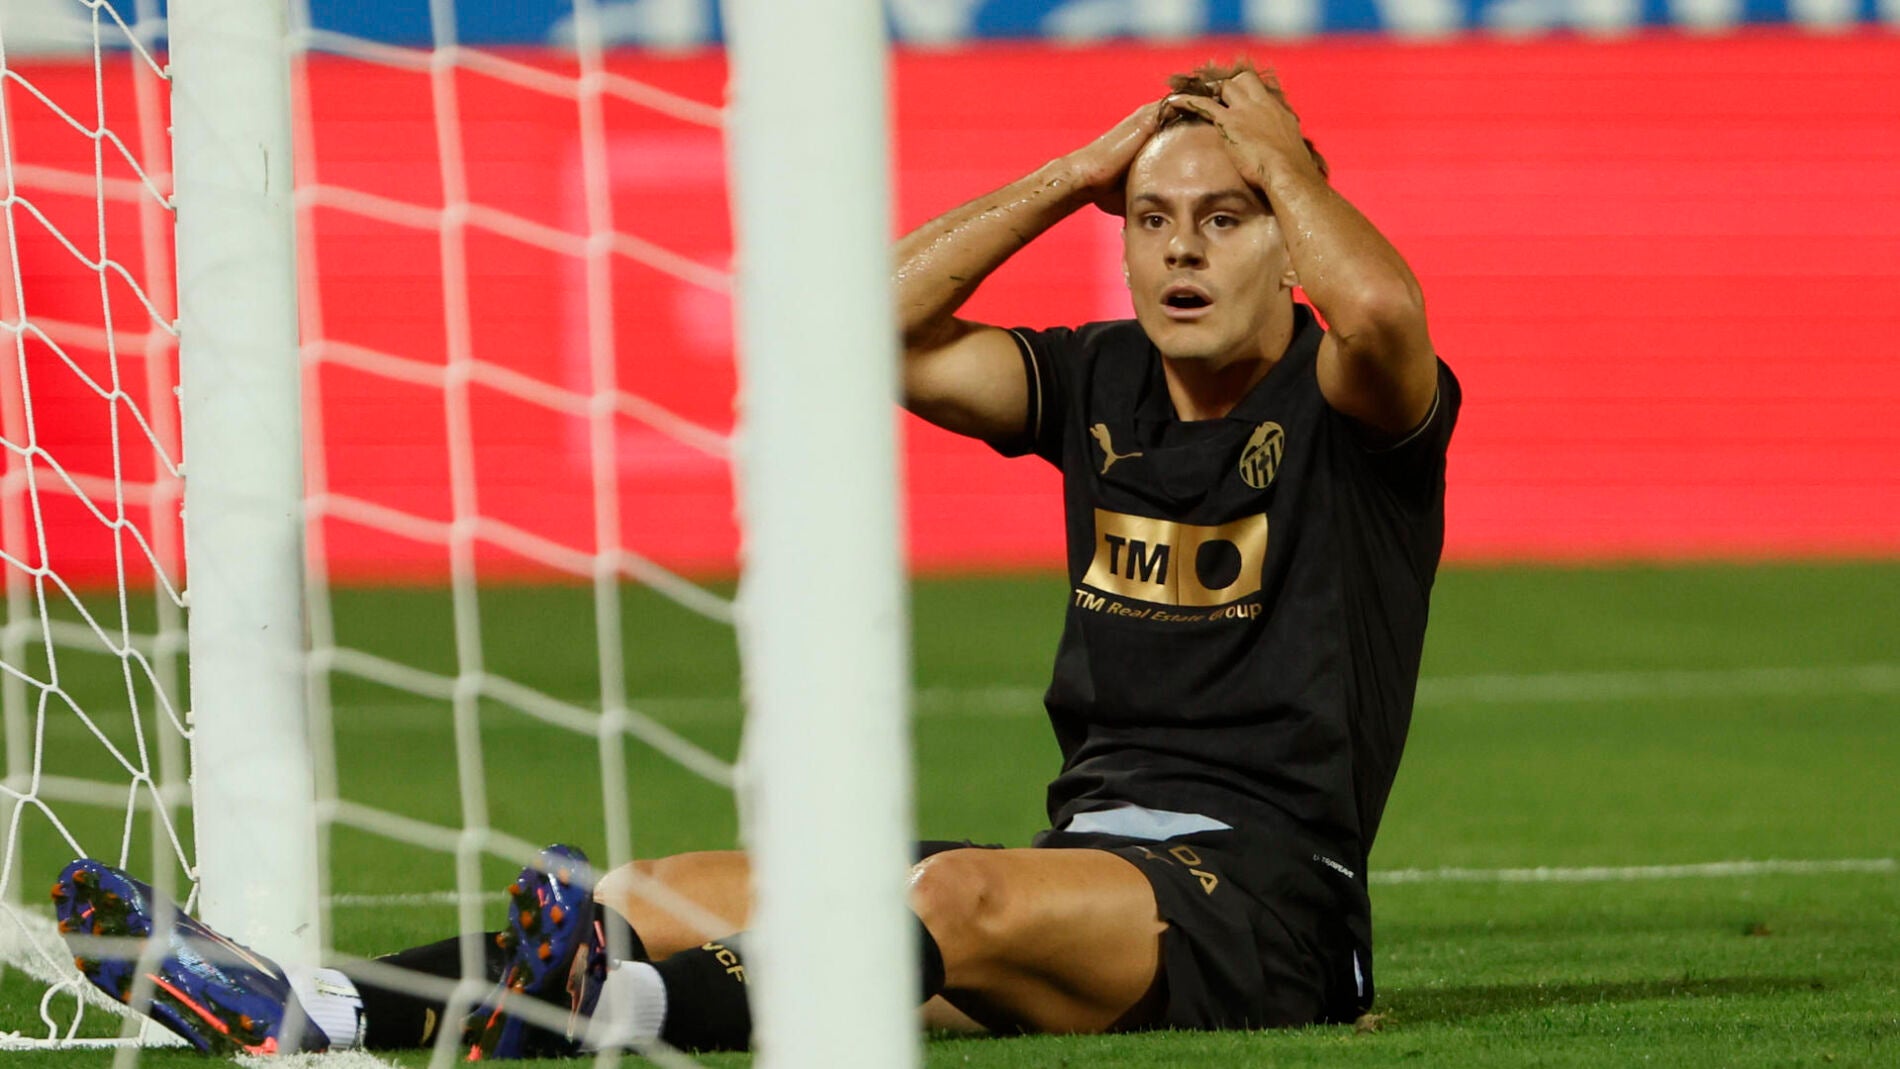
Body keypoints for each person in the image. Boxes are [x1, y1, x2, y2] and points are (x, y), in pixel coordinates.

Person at [54, 60, 1458, 1057]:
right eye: (1154, 220)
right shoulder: (1100, 379)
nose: (1182, 252)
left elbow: (1388, 314)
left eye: (1225, 218)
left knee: (950, 900)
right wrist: (1076, 173)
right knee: (650, 891)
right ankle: (322, 1007)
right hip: (1085, 871)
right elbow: (850, 321)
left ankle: (603, 1018)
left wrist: (1273, 152)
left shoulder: (1348, 401)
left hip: (1262, 903)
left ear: (1288, 239)